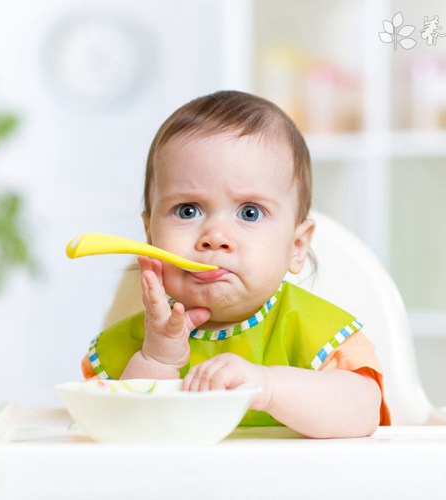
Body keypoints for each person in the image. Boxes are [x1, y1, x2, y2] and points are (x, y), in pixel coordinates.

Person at [81, 90, 390, 438]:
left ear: (297, 246)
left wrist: (269, 386)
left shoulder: (316, 334)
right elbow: (119, 433)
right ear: (150, 235)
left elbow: (363, 413)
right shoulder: (134, 344)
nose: (215, 236)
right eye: (188, 210)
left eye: (250, 213)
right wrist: (157, 360)